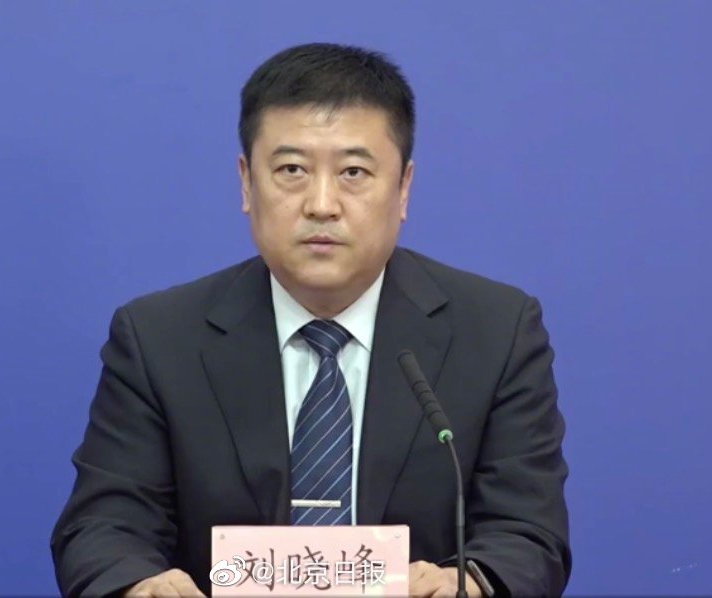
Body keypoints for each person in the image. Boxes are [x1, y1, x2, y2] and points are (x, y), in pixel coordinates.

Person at [51, 42, 571, 598]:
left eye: (353, 172)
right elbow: (104, 525)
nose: (322, 204)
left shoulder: (496, 331)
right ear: (247, 183)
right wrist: (138, 585)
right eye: (292, 170)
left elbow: (528, 532)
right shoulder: (159, 337)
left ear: (403, 189)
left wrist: (469, 582)